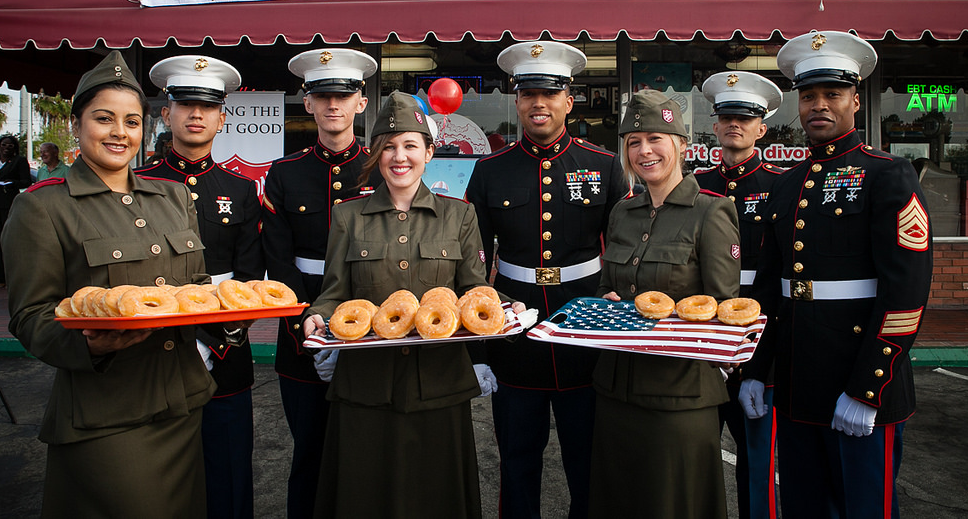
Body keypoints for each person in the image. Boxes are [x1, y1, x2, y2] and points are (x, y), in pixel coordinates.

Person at [2, 51, 215, 518]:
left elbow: (194, 285)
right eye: (104, 118)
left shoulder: (172, 196)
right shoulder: (43, 207)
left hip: (180, 401)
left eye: (132, 121)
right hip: (106, 414)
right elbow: (31, 316)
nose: (120, 132)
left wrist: (229, 322)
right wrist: (92, 346)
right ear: (77, 124)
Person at [302, 91, 525, 518]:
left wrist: (509, 306)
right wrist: (316, 316)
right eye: (388, 146)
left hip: (438, 386)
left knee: (436, 497)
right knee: (365, 495)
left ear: (428, 152)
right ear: (376, 154)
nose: (398, 157)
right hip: (366, 387)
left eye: (409, 146)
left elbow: (474, 289)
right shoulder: (348, 216)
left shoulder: (459, 216)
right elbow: (334, 291)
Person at [740, 31, 933, 518]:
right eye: (808, 96)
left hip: (859, 381)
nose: (818, 105)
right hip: (799, 384)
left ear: (855, 98)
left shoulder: (888, 174)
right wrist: (757, 371)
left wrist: (870, 387)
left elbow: (906, 292)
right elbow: (769, 289)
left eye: (832, 94)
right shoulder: (786, 187)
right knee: (805, 505)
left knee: (863, 507)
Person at [465, 41, 628, 519]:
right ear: (516, 101)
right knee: (516, 459)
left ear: (568, 100)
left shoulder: (604, 165)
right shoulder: (490, 170)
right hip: (515, 338)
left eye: (550, 93)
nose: (539, 103)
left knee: (589, 459)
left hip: (586, 331)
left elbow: (621, 250)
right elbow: (474, 264)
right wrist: (480, 346)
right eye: (529, 94)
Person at [589, 89, 740, 519]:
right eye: (633, 142)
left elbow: (724, 309)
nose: (644, 150)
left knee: (674, 503)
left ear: (681, 144)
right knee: (619, 500)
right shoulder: (623, 213)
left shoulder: (712, 212)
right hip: (617, 389)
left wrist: (669, 317)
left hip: (679, 397)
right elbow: (606, 286)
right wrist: (608, 302)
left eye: (656, 138)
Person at [136, 54, 264, 519]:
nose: (196, 114)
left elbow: (249, 276)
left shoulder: (242, 190)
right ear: (165, 113)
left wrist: (216, 338)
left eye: (206, 106)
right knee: (154, 475)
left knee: (228, 472)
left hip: (225, 353)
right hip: (152, 346)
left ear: (221, 116)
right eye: (185, 104)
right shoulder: (137, 184)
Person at [261, 48, 378, 518]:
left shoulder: (379, 168)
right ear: (306, 103)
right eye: (322, 95)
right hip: (302, 329)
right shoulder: (285, 173)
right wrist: (305, 322)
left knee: (364, 453)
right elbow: (278, 260)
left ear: (361, 103)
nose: (333, 105)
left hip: (369, 326)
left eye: (343, 95)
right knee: (308, 452)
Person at [696, 71, 784, 519]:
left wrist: (763, 358)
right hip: (702, 335)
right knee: (695, 454)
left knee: (757, 460)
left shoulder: (782, 185)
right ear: (715, 125)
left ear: (761, 128)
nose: (735, 124)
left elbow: (780, 275)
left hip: (755, 339)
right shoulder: (694, 183)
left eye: (746, 118)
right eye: (727, 117)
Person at [0, 134, 32, 288]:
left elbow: (26, 181)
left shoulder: (19, 162)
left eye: (10, 146)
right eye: (4, 145)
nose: (6, 148)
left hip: (8, 204)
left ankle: (7, 278)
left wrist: (11, 183)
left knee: (7, 242)